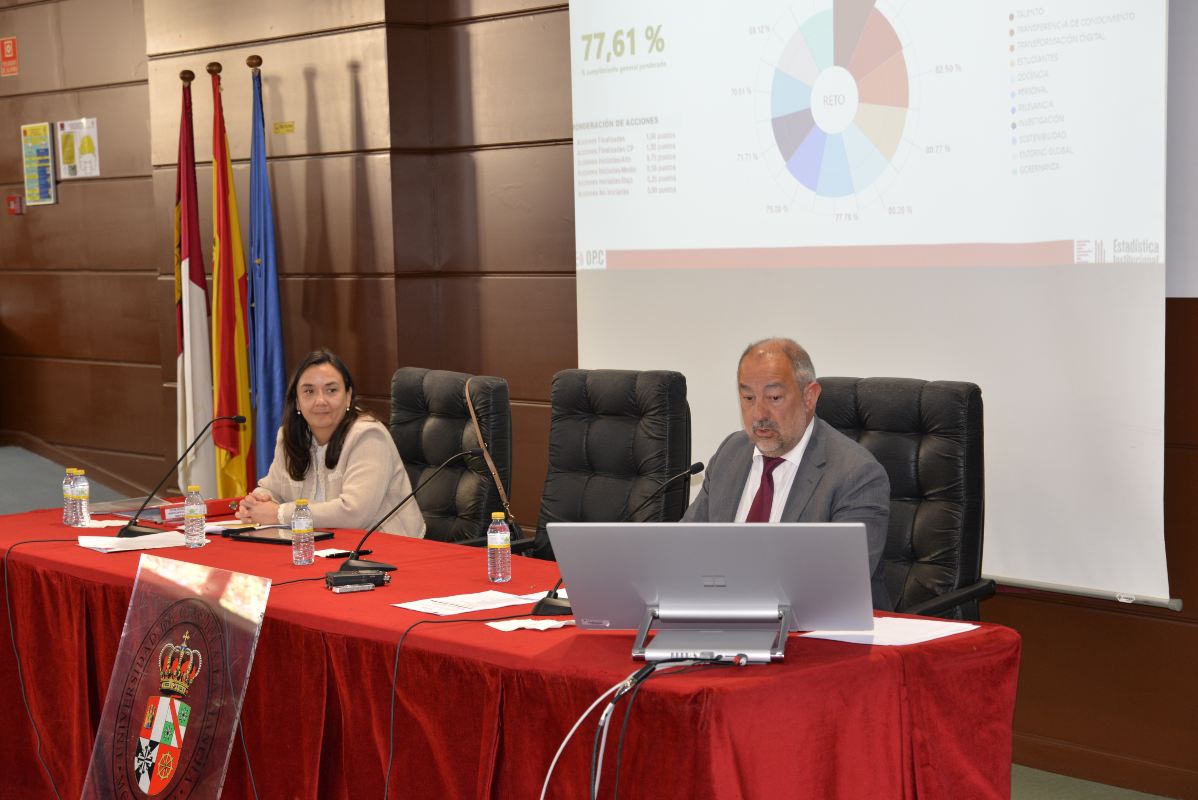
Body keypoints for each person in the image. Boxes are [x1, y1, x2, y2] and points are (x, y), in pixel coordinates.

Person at [682, 337, 892, 610]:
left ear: (809, 397)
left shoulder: (857, 475)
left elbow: (837, 588)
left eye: (774, 397)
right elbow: (685, 551)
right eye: (748, 398)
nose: (758, 413)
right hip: (722, 623)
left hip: (815, 636)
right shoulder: (730, 454)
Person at [237, 349, 426, 538]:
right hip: (323, 546)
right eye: (309, 391)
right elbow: (272, 489)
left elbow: (354, 513)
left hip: (388, 549)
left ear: (348, 396)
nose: (320, 401)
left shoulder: (368, 436)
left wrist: (279, 514)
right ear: (296, 401)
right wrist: (257, 502)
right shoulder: (290, 436)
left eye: (331, 390)